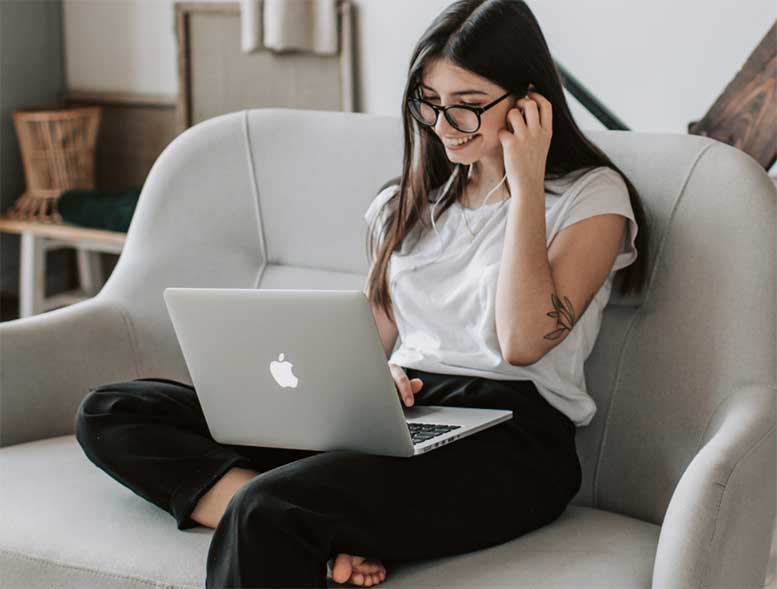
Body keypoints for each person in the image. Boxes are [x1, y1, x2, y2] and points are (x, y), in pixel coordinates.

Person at [75, 1, 650, 587]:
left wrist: (525, 182)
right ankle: (299, 522)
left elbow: (524, 340)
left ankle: (285, 516)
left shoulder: (591, 198)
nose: (444, 127)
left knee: (270, 511)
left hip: (512, 441)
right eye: (431, 103)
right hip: (403, 413)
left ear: (530, 103)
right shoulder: (402, 205)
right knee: (112, 411)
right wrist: (363, 387)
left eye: (469, 108)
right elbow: (367, 340)